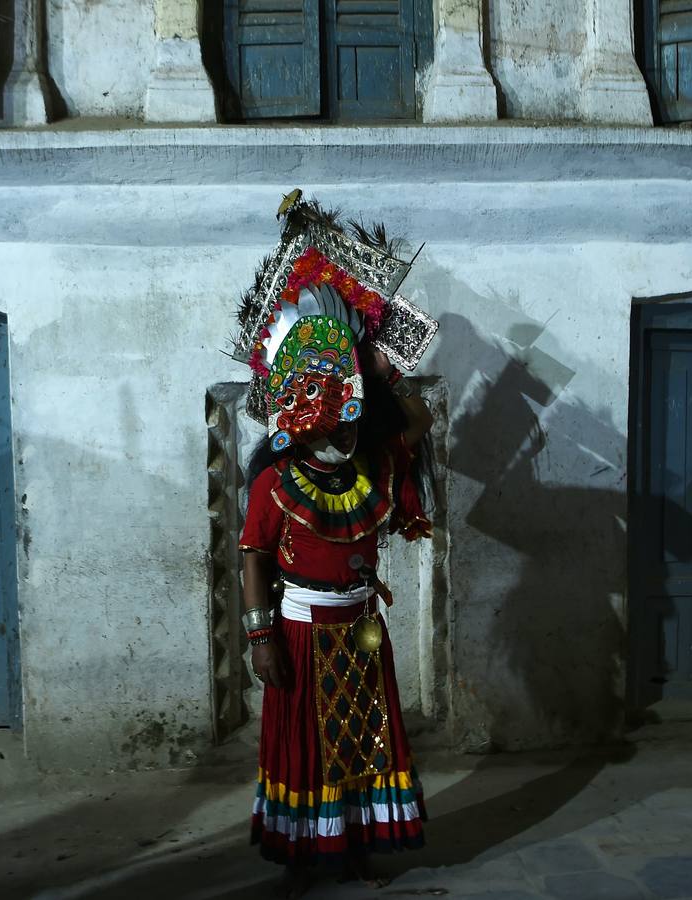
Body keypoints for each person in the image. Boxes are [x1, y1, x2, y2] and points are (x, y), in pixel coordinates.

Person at [228, 192, 440, 896]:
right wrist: (260, 638)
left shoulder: (372, 464)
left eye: (348, 418)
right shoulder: (274, 487)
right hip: (299, 630)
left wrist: (380, 370)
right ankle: (300, 855)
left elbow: (419, 423)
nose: (340, 434)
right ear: (299, 419)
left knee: (361, 742)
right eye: (327, 421)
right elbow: (255, 558)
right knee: (305, 748)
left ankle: (353, 848)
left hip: (362, 629)